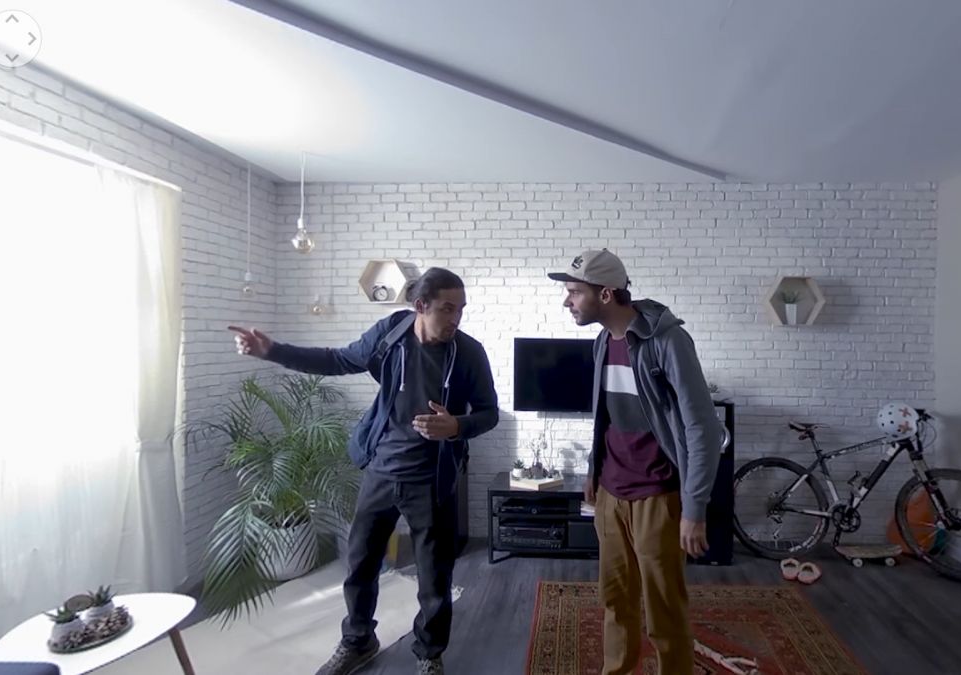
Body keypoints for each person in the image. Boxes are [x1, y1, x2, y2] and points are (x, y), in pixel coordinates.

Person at [229, 267, 498, 675]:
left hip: (432, 481)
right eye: (447, 309)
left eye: (461, 309)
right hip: (381, 470)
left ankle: (429, 654)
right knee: (360, 565)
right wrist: (273, 351)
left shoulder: (469, 353)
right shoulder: (391, 334)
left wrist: (456, 426)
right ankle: (358, 640)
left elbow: (489, 413)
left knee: (434, 578)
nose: (456, 318)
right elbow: (339, 359)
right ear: (420, 306)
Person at [547, 249, 722, 675]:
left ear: (606, 294)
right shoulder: (602, 342)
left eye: (574, 292)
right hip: (610, 495)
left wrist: (694, 508)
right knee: (615, 601)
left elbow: (703, 427)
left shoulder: (668, 341)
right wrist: (593, 469)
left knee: (664, 610)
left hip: (658, 498)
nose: (567, 301)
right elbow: (604, 414)